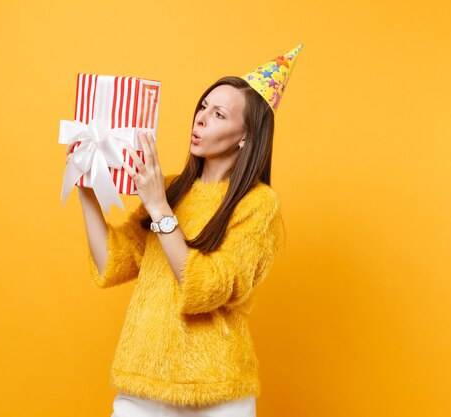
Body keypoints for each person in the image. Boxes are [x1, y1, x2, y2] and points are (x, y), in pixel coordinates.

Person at [69, 45, 303, 417]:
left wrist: (159, 207)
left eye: (219, 114)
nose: (200, 119)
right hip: (141, 382)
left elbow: (208, 287)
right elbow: (112, 263)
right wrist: (84, 185)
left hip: (216, 393)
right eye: (203, 107)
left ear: (246, 136)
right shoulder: (172, 188)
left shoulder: (259, 205)